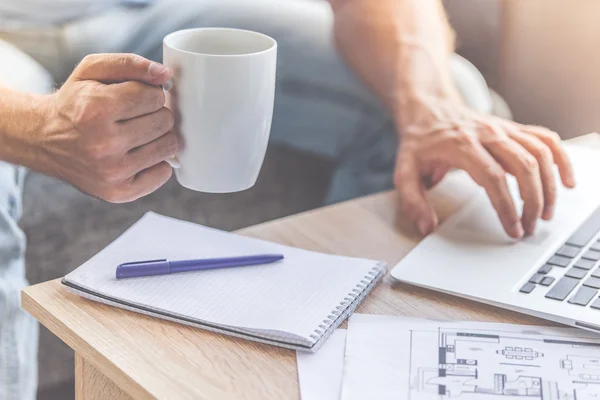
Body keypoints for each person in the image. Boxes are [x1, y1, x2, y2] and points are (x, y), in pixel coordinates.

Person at [0, 0, 575, 398]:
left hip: (162, 14)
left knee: (452, 94)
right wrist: (36, 127)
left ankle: (349, 373)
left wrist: (430, 108)